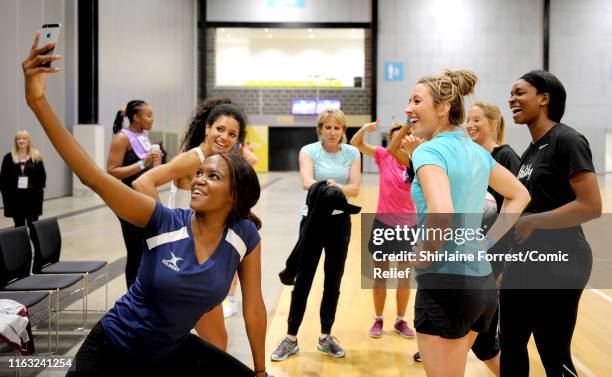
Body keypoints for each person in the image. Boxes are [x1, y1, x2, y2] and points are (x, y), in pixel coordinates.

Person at [22, 32, 269, 377]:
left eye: (213, 177)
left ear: (234, 195)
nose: (198, 179)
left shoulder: (244, 235)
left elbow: (254, 307)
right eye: (199, 173)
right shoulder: (164, 221)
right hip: (112, 349)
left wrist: (260, 370)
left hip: (168, 349)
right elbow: (94, 176)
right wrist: (37, 102)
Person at [403, 69, 530, 376]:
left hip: (445, 283)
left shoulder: (429, 152)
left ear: (443, 107)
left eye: (417, 100)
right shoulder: (476, 152)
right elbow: (520, 195)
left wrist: (424, 254)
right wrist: (486, 242)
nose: (409, 108)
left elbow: (442, 210)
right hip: (481, 285)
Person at [132, 99, 257, 350]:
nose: (224, 137)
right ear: (207, 127)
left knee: (217, 339)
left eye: (231, 134)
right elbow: (143, 182)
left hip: (200, 249)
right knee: (181, 333)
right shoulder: (195, 158)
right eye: (219, 129)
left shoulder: (218, 161)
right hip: (180, 250)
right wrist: (164, 226)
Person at [499, 70, 602, 377]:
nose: (512, 99)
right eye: (511, 93)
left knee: (553, 353)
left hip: (561, 261)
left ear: (544, 99)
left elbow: (591, 205)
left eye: (520, 92)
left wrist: (534, 223)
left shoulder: (567, 140)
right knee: (511, 344)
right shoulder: (531, 151)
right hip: (526, 261)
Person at [271, 109, 360, 361]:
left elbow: (354, 189)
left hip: (340, 223)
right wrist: (333, 189)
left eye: (337, 128)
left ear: (343, 131)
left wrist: (332, 187)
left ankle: (325, 335)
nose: (332, 132)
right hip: (312, 221)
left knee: (333, 281)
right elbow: (306, 182)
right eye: (328, 127)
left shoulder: (352, 153)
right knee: (304, 280)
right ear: (320, 129)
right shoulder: (308, 151)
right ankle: (290, 337)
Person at [464, 101, 521, 376]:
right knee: (482, 336)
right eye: (468, 120)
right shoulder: (470, 157)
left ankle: (447, 346)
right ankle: (448, 344)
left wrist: (501, 262)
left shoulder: (506, 156)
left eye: (477, 120)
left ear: (493, 124)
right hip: (471, 251)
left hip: (494, 254)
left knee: (483, 333)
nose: (470, 125)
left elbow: (517, 209)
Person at [350, 120, 417, 339]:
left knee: (404, 276)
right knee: (381, 275)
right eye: (398, 137)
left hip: (409, 227)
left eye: (405, 137)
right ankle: (378, 318)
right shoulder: (384, 156)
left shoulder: (415, 162)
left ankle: (400, 320)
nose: (400, 141)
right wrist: (365, 128)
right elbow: (356, 143)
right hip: (383, 225)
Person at [106, 99, 161, 289]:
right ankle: (133, 296)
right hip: (128, 199)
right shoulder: (122, 137)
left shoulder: (144, 136)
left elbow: (149, 169)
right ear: (136, 117)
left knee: (147, 248)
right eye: (148, 115)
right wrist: (141, 164)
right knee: (136, 250)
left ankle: (144, 292)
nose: (152, 119)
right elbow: (111, 171)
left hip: (145, 199)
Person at [0, 130, 46, 228]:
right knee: (19, 227)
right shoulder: (9, 158)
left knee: (33, 226)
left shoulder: (36, 157)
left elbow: (42, 177)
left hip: (32, 199)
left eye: (24, 138)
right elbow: (3, 180)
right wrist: (7, 197)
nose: (21, 141)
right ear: (15, 141)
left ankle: (36, 244)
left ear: (28, 141)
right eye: (18, 139)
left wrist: (37, 192)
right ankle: (21, 243)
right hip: (16, 200)